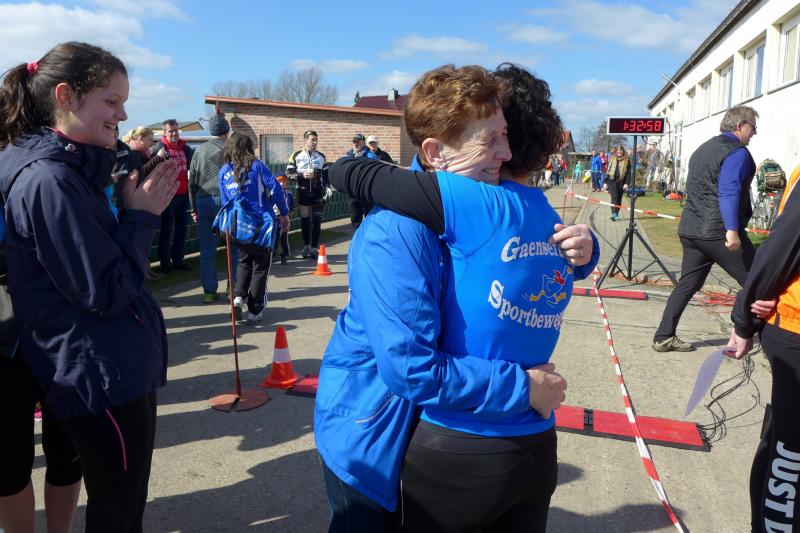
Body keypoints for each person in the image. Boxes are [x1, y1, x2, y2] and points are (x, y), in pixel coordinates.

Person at [315, 64, 596, 532]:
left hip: (431, 420)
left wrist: (583, 248)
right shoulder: (395, 230)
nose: (506, 154)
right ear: (435, 153)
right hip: (373, 430)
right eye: (490, 141)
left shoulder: (476, 198)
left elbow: (531, 241)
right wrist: (522, 388)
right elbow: (411, 368)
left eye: (506, 136)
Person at [0, 41, 179, 532]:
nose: (123, 114)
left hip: (109, 364)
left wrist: (131, 204)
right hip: (100, 372)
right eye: (111, 100)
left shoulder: (71, 170)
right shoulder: (48, 180)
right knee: (119, 510)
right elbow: (105, 291)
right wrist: (141, 217)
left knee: (121, 501)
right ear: (65, 96)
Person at [727, 162, 800, 532]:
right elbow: (783, 245)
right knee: (789, 455)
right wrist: (746, 318)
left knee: (783, 445)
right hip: (794, 332)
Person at [652, 106, 758, 352]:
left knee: (688, 283)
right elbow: (729, 191)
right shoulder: (737, 153)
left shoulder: (703, 148)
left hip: (692, 229)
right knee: (759, 281)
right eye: (753, 127)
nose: (755, 132)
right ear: (739, 126)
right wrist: (731, 230)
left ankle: (663, 336)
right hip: (718, 231)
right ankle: (751, 334)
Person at [218, 132, 289, 324]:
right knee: (260, 266)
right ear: (248, 147)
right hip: (261, 224)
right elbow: (275, 189)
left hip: (239, 225)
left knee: (244, 261)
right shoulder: (257, 166)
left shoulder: (223, 172)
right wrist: (284, 213)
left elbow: (225, 203)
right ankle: (254, 310)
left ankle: (238, 297)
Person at [189, 113, 230, 303]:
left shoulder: (199, 151)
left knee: (207, 249)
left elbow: (192, 181)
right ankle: (234, 288)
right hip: (226, 201)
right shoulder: (230, 149)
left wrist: (193, 208)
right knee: (233, 246)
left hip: (203, 200)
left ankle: (209, 291)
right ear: (226, 131)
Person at [152, 118, 194, 273]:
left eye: (176, 130)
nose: (174, 133)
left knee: (182, 229)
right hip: (167, 196)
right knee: (166, 230)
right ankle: (165, 263)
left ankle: (178, 260)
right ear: (164, 132)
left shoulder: (186, 149)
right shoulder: (159, 149)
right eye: (171, 131)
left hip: (183, 195)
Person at [123, 125, 162, 282]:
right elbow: (142, 171)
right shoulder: (132, 154)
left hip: (143, 197)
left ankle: (146, 267)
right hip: (135, 199)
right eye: (149, 139)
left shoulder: (142, 153)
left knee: (145, 238)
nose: (152, 143)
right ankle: (142, 270)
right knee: (138, 238)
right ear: (139, 138)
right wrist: (157, 158)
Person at [286, 130, 329, 258]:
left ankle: (314, 248)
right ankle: (306, 246)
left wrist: (328, 188)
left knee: (317, 221)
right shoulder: (296, 155)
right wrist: (302, 175)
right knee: (305, 220)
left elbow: (325, 175)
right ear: (306, 140)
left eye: (316, 140)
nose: (314, 142)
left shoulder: (321, 156)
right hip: (303, 192)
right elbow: (288, 173)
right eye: (312, 140)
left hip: (317, 193)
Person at [344, 133, 377, 230]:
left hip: (366, 191)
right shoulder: (348, 155)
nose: (356, 144)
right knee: (355, 219)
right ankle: (357, 237)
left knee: (369, 217)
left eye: (358, 142)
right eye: (354, 142)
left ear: (363, 143)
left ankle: (369, 237)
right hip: (352, 191)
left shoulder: (371, 156)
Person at [603, 145, 630, 221]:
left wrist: (626, 183)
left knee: (619, 198)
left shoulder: (627, 160)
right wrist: (605, 182)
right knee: (614, 196)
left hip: (621, 181)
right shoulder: (612, 158)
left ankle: (616, 213)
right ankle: (613, 213)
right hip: (611, 180)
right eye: (618, 150)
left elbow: (628, 173)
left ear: (623, 151)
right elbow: (607, 170)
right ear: (616, 152)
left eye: (621, 150)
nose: (619, 152)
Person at [273, 174, 295, 265]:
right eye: (279, 181)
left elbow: (291, 207)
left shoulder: (289, 194)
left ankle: (284, 254)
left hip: (284, 218)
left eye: (284, 181)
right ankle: (273, 254)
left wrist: (289, 217)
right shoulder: (272, 193)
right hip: (275, 218)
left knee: (283, 237)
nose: (282, 183)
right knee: (274, 237)